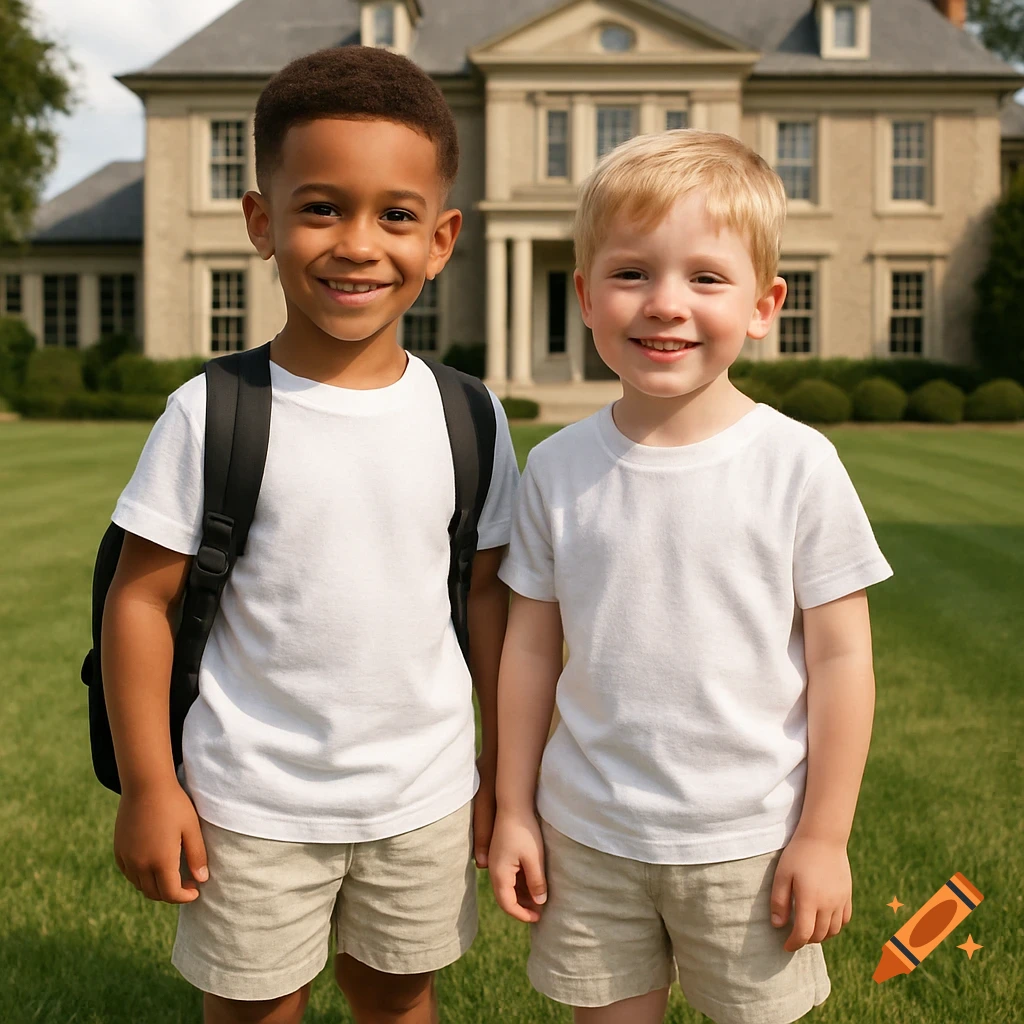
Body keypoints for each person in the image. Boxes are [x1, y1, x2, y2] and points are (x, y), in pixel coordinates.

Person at [103, 46, 519, 1024]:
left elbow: (491, 598)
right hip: (248, 798)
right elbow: (140, 598)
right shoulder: (213, 412)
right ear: (263, 221)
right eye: (322, 207)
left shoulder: (471, 417)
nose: (358, 244)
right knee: (253, 1005)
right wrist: (147, 786)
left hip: (420, 793)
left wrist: (505, 770)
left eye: (396, 214)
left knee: (396, 994)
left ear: (442, 237)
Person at [488, 129, 893, 1024]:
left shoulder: (798, 464)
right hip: (589, 833)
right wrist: (513, 806)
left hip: (749, 840)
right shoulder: (556, 468)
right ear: (587, 296)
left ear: (763, 304)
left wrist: (825, 837)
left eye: (705, 278)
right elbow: (528, 651)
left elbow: (841, 662)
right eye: (632, 273)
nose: (665, 304)